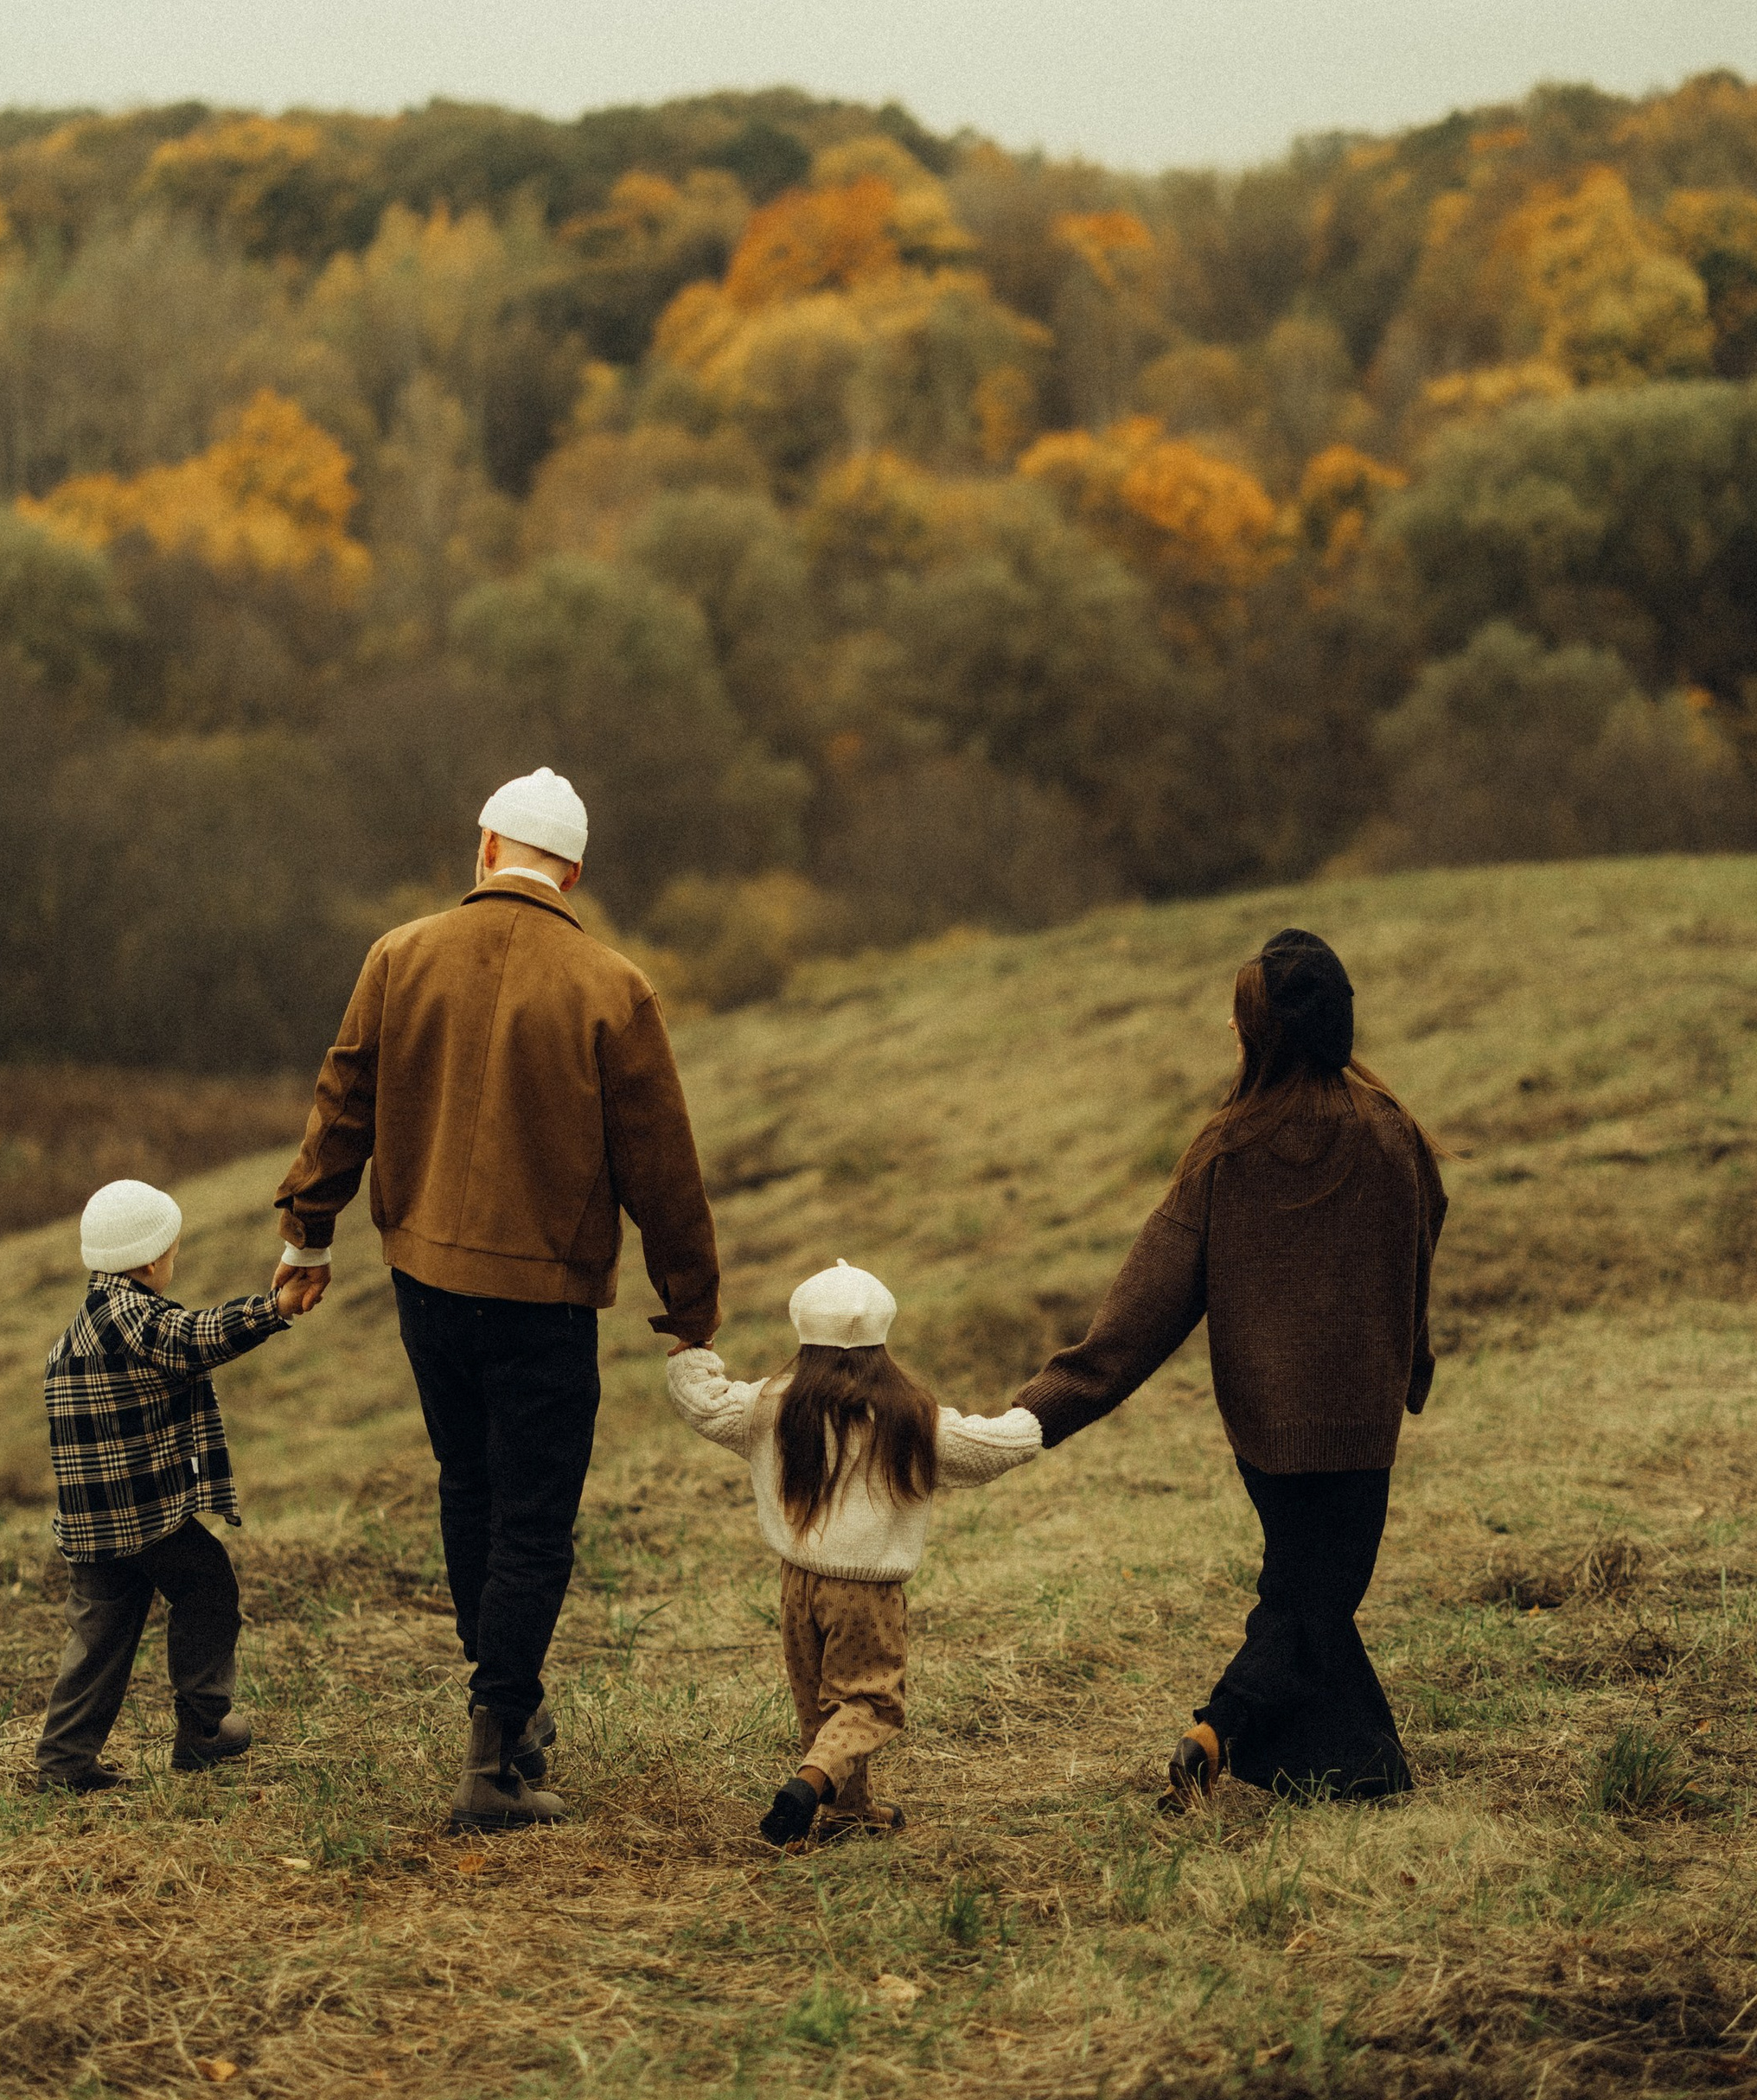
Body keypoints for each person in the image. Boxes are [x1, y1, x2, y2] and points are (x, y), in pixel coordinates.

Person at [272, 768, 720, 1835]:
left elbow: (344, 1100)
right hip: (543, 1299)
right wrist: (690, 1306)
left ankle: (508, 1714)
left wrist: (306, 1234)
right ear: (572, 872)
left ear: (484, 850)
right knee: (534, 1520)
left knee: (467, 1488)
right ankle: (492, 1758)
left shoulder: (399, 955)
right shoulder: (614, 988)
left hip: (423, 1282)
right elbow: (663, 1167)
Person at [1013, 929, 1446, 1810]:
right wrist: (1411, 1362)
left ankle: (1356, 1768)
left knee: (1304, 1594)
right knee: (1312, 1599)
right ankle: (1216, 1731)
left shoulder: (1226, 1149)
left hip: (1265, 1431)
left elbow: (1141, 1309)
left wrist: (1038, 1411)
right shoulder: (1394, 1134)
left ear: (1260, 1036)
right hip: (1361, 1425)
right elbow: (1418, 1247)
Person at [668, 1258, 1043, 1846]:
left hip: (796, 1583)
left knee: (821, 1703)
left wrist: (694, 1347)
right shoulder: (909, 1418)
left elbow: (703, 1399)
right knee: (871, 1702)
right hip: (865, 1592)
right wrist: (1042, 1413)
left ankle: (849, 1810)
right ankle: (811, 1783)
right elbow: (989, 1446)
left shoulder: (769, 1406)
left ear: (801, 1329)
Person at [35, 1178, 312, 1797]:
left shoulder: (76, 1334)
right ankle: (204, 1728)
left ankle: (63, 1763)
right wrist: (274, 1309)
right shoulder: (135, 1317)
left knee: (99, 1636)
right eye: (174, 1250)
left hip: (90, 1524)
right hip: (142, 1515)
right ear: (153, 1259)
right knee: (208, 1586)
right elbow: (196, 1337)